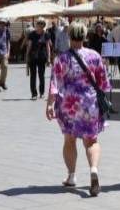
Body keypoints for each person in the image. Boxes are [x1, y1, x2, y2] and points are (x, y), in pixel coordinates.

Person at [46, 21, 111, 197]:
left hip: (69, 105)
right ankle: (94, 170)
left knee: (70, 140)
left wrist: (50, 104)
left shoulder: (61, 58)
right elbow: (104, 84)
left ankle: (72, 176)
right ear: (84, 36)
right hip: (90, 105)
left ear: (69, 36)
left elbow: (54, 84)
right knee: (91, 141)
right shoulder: (95, 56)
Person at [25, 20, 51, 100]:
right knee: (33, 76)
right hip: (33, 57)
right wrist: (27, 56)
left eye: (41, 25)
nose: (39, 26)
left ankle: (42, 92)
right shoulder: (32, 34)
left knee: (41, 75)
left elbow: (48, 47)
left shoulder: (46, 34)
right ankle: (34, 94)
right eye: (38, 25)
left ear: (43, 26)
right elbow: (29, 46)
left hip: (42, 57)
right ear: (36, 26)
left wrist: (49, 58)